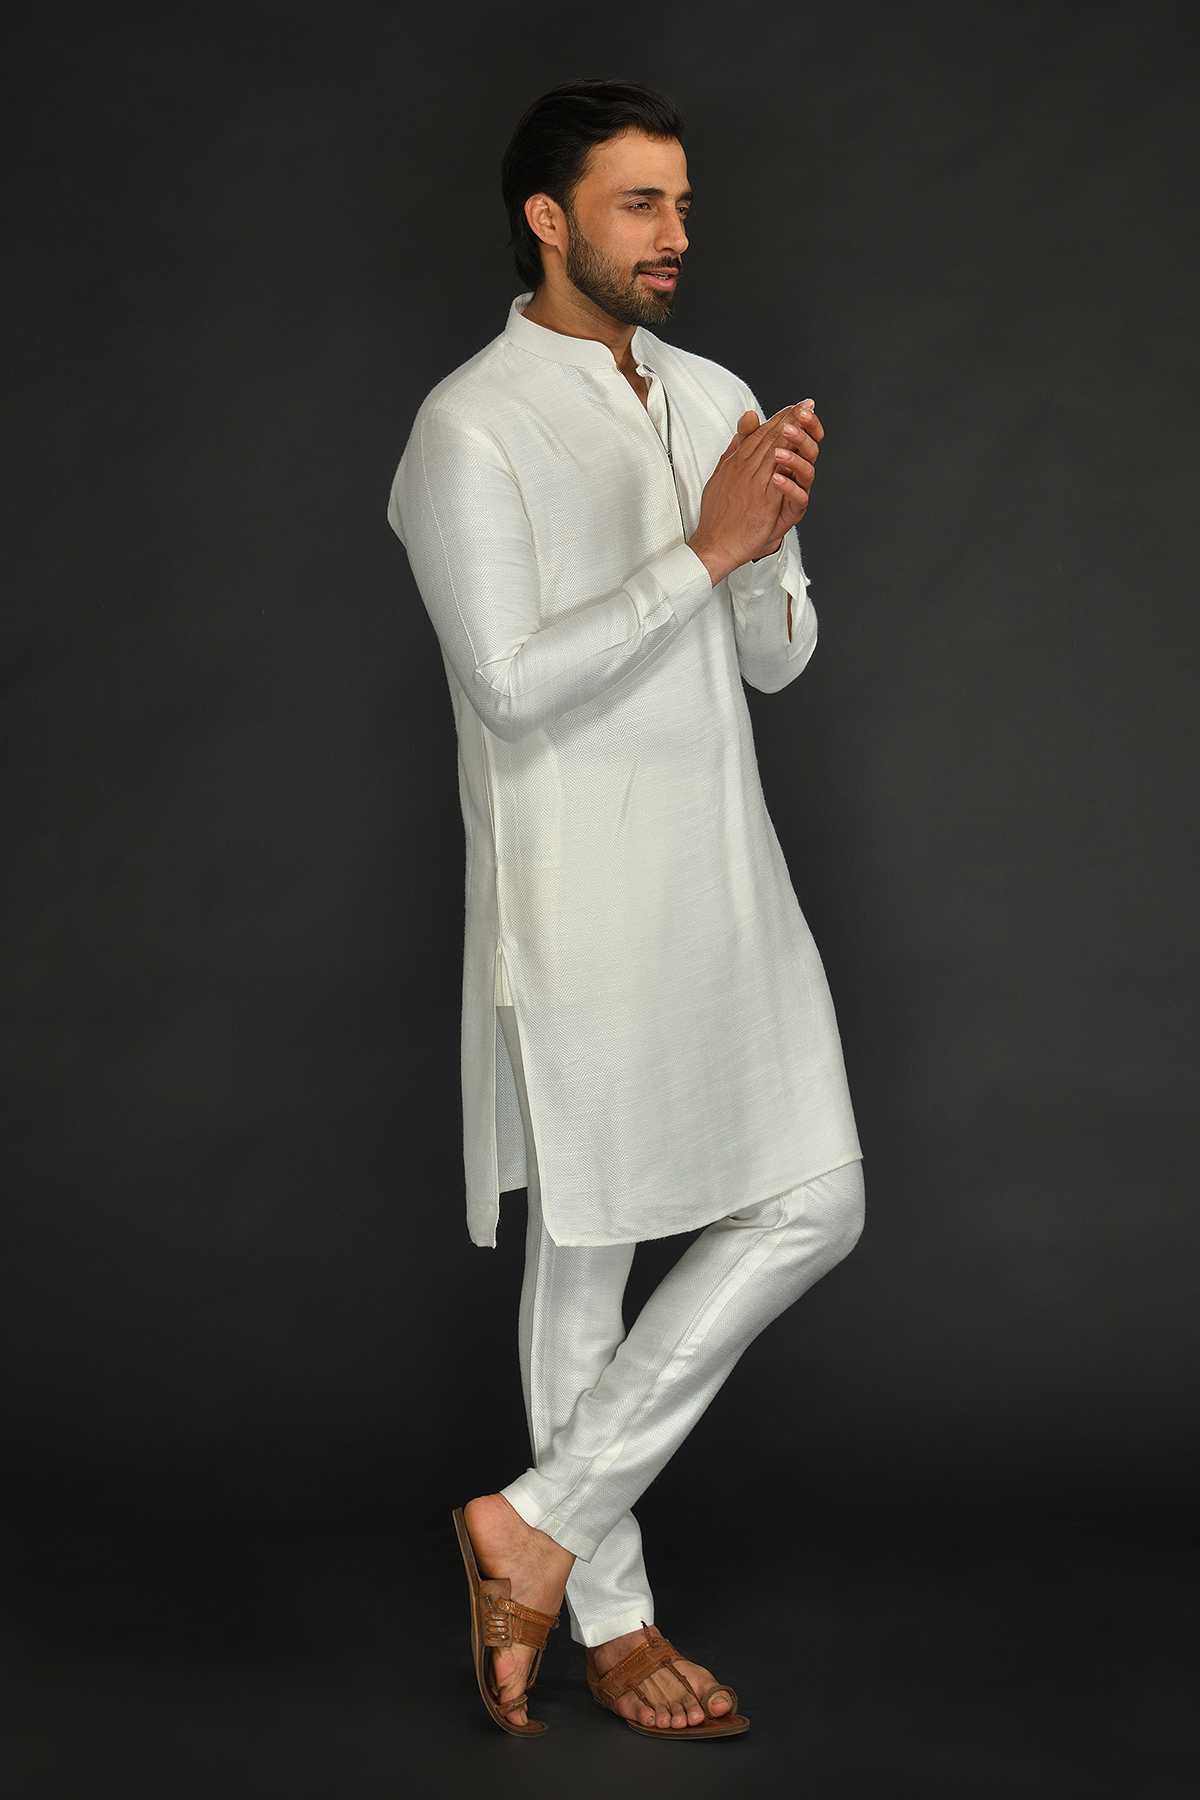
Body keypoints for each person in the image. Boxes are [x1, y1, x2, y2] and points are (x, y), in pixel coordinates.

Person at [388, 79, 863, 1740]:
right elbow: (510, 686)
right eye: (639, 204)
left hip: (724, 875)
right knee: (589, 1249)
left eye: (681, 204)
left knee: (816, 1200)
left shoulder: (712, 390)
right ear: (549, 218)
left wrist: (769, 542)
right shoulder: (468, 427)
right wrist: (704, 549)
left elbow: (776, 663)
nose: (675, 234)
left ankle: (535, 1519)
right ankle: (611, 1611)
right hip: (575, 897)